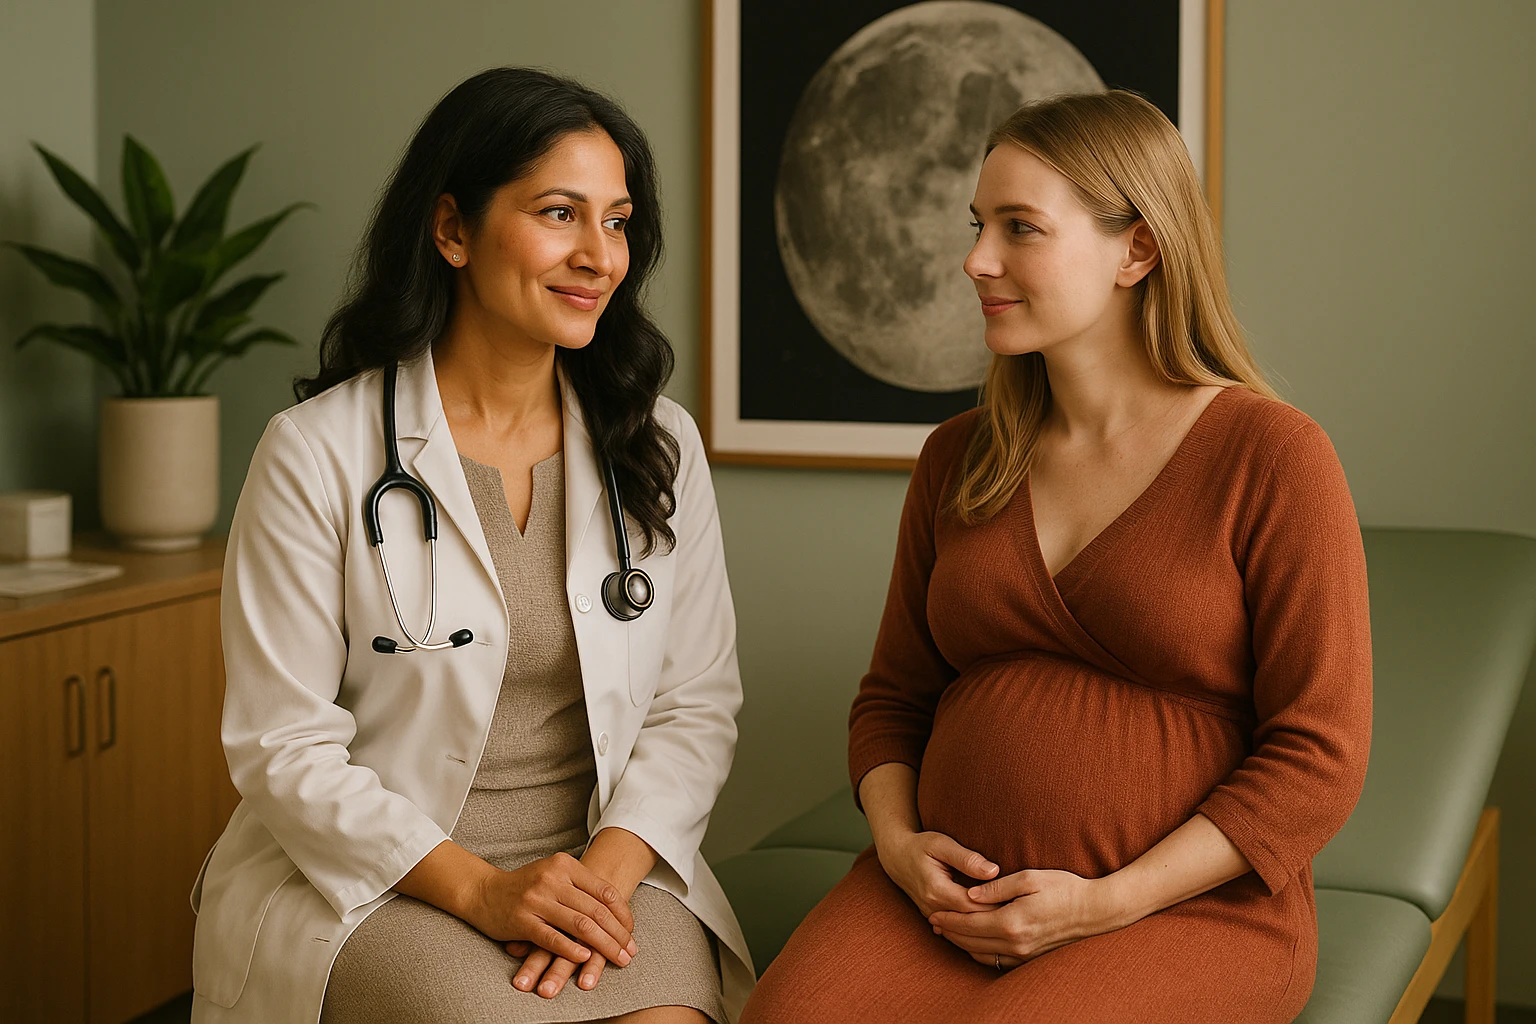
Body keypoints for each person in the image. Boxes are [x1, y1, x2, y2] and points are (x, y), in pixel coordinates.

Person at [743, 90, 1372, 1023]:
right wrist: (902, 847)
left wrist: (1107, 901)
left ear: (1139, 249)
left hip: (1185, 913)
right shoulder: (958, 457)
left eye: (1020, 228)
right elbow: (892, 700)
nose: (976, 259)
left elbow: (1320, 755)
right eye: (978, 224)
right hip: (935, 904)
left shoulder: (1272, 456)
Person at [189, 68, 752, 1024]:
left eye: (616, 223)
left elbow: (694, 707)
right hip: (387, 876)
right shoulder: (317, 452)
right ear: (451, 230)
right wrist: (484, 891)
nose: (599, 257)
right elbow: (281, 743)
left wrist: (600, 883)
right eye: (559, 214)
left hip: (601, 859)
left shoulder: (657, 444)